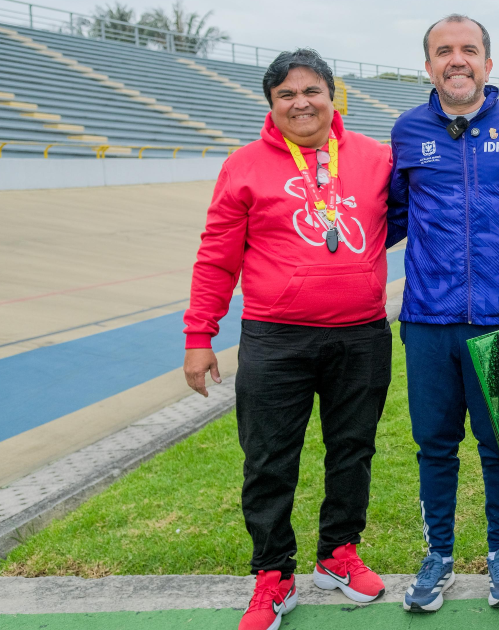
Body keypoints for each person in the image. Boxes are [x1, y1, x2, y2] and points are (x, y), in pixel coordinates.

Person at [182, 49, 393, 630]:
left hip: (361, 334)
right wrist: (200, 334)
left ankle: (338, 554)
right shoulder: (245, 165)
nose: (301, 103)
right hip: (276, 338)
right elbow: (217, 257)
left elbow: (396, 222)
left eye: (311, 91)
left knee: (353, 450)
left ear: (332, 95)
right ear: (271, 104)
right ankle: (273, 575)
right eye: (286, 95)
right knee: (270, 460)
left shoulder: (377, 158)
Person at [386, 14, 499, 613]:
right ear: (428, 66)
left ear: (488, 63)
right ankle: (440, 554)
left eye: (468, 50)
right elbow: (392, 217)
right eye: (444, 51)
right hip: (428, 317)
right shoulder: (407, 131)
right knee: (434, 444)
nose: (457, 60)